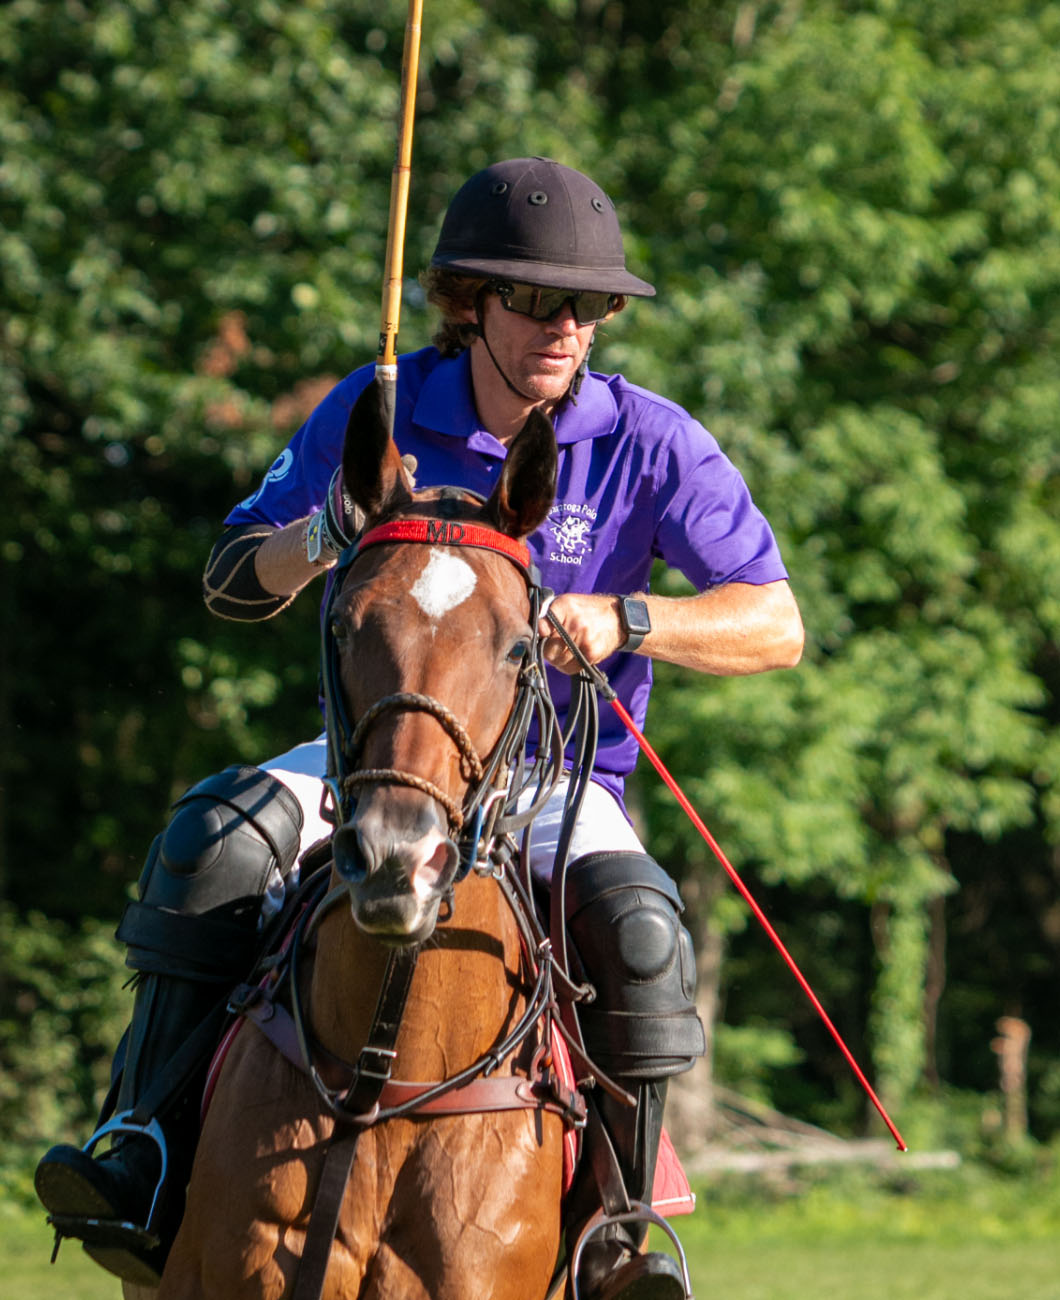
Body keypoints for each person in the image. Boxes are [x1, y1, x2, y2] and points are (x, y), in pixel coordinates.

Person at [36, 156, 804, 1298]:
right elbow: (231, 579)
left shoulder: (649, 439)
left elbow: (775, 622)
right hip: (379, 750)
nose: (565, 328)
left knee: (642, 926)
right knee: (218, 837)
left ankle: (618, 1235)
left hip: (550, 768)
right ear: (471, 303)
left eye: (587, 306)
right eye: (538, 301)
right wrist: (322, 534)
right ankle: (143, 1147)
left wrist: (627, 616)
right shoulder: (378, 406)